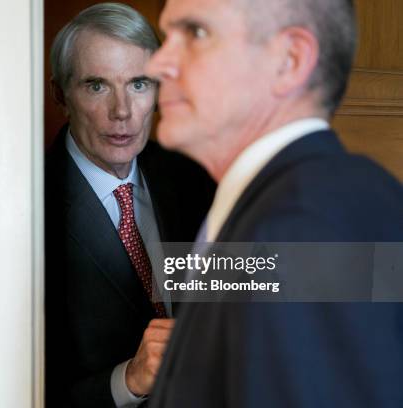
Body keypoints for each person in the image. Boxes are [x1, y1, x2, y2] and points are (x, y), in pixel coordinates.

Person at [145, 0, 403, 406]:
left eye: (195, 34)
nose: (158, 65)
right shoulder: (297, 203)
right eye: (166, 38)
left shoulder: (304, 225)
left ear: (289, 61)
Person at [44, 3, 215, 407]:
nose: (122, 112)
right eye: (97, 85)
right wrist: (129, 380)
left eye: (139, 84)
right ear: (60, 95)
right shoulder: (25, 208)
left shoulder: (193, 177)